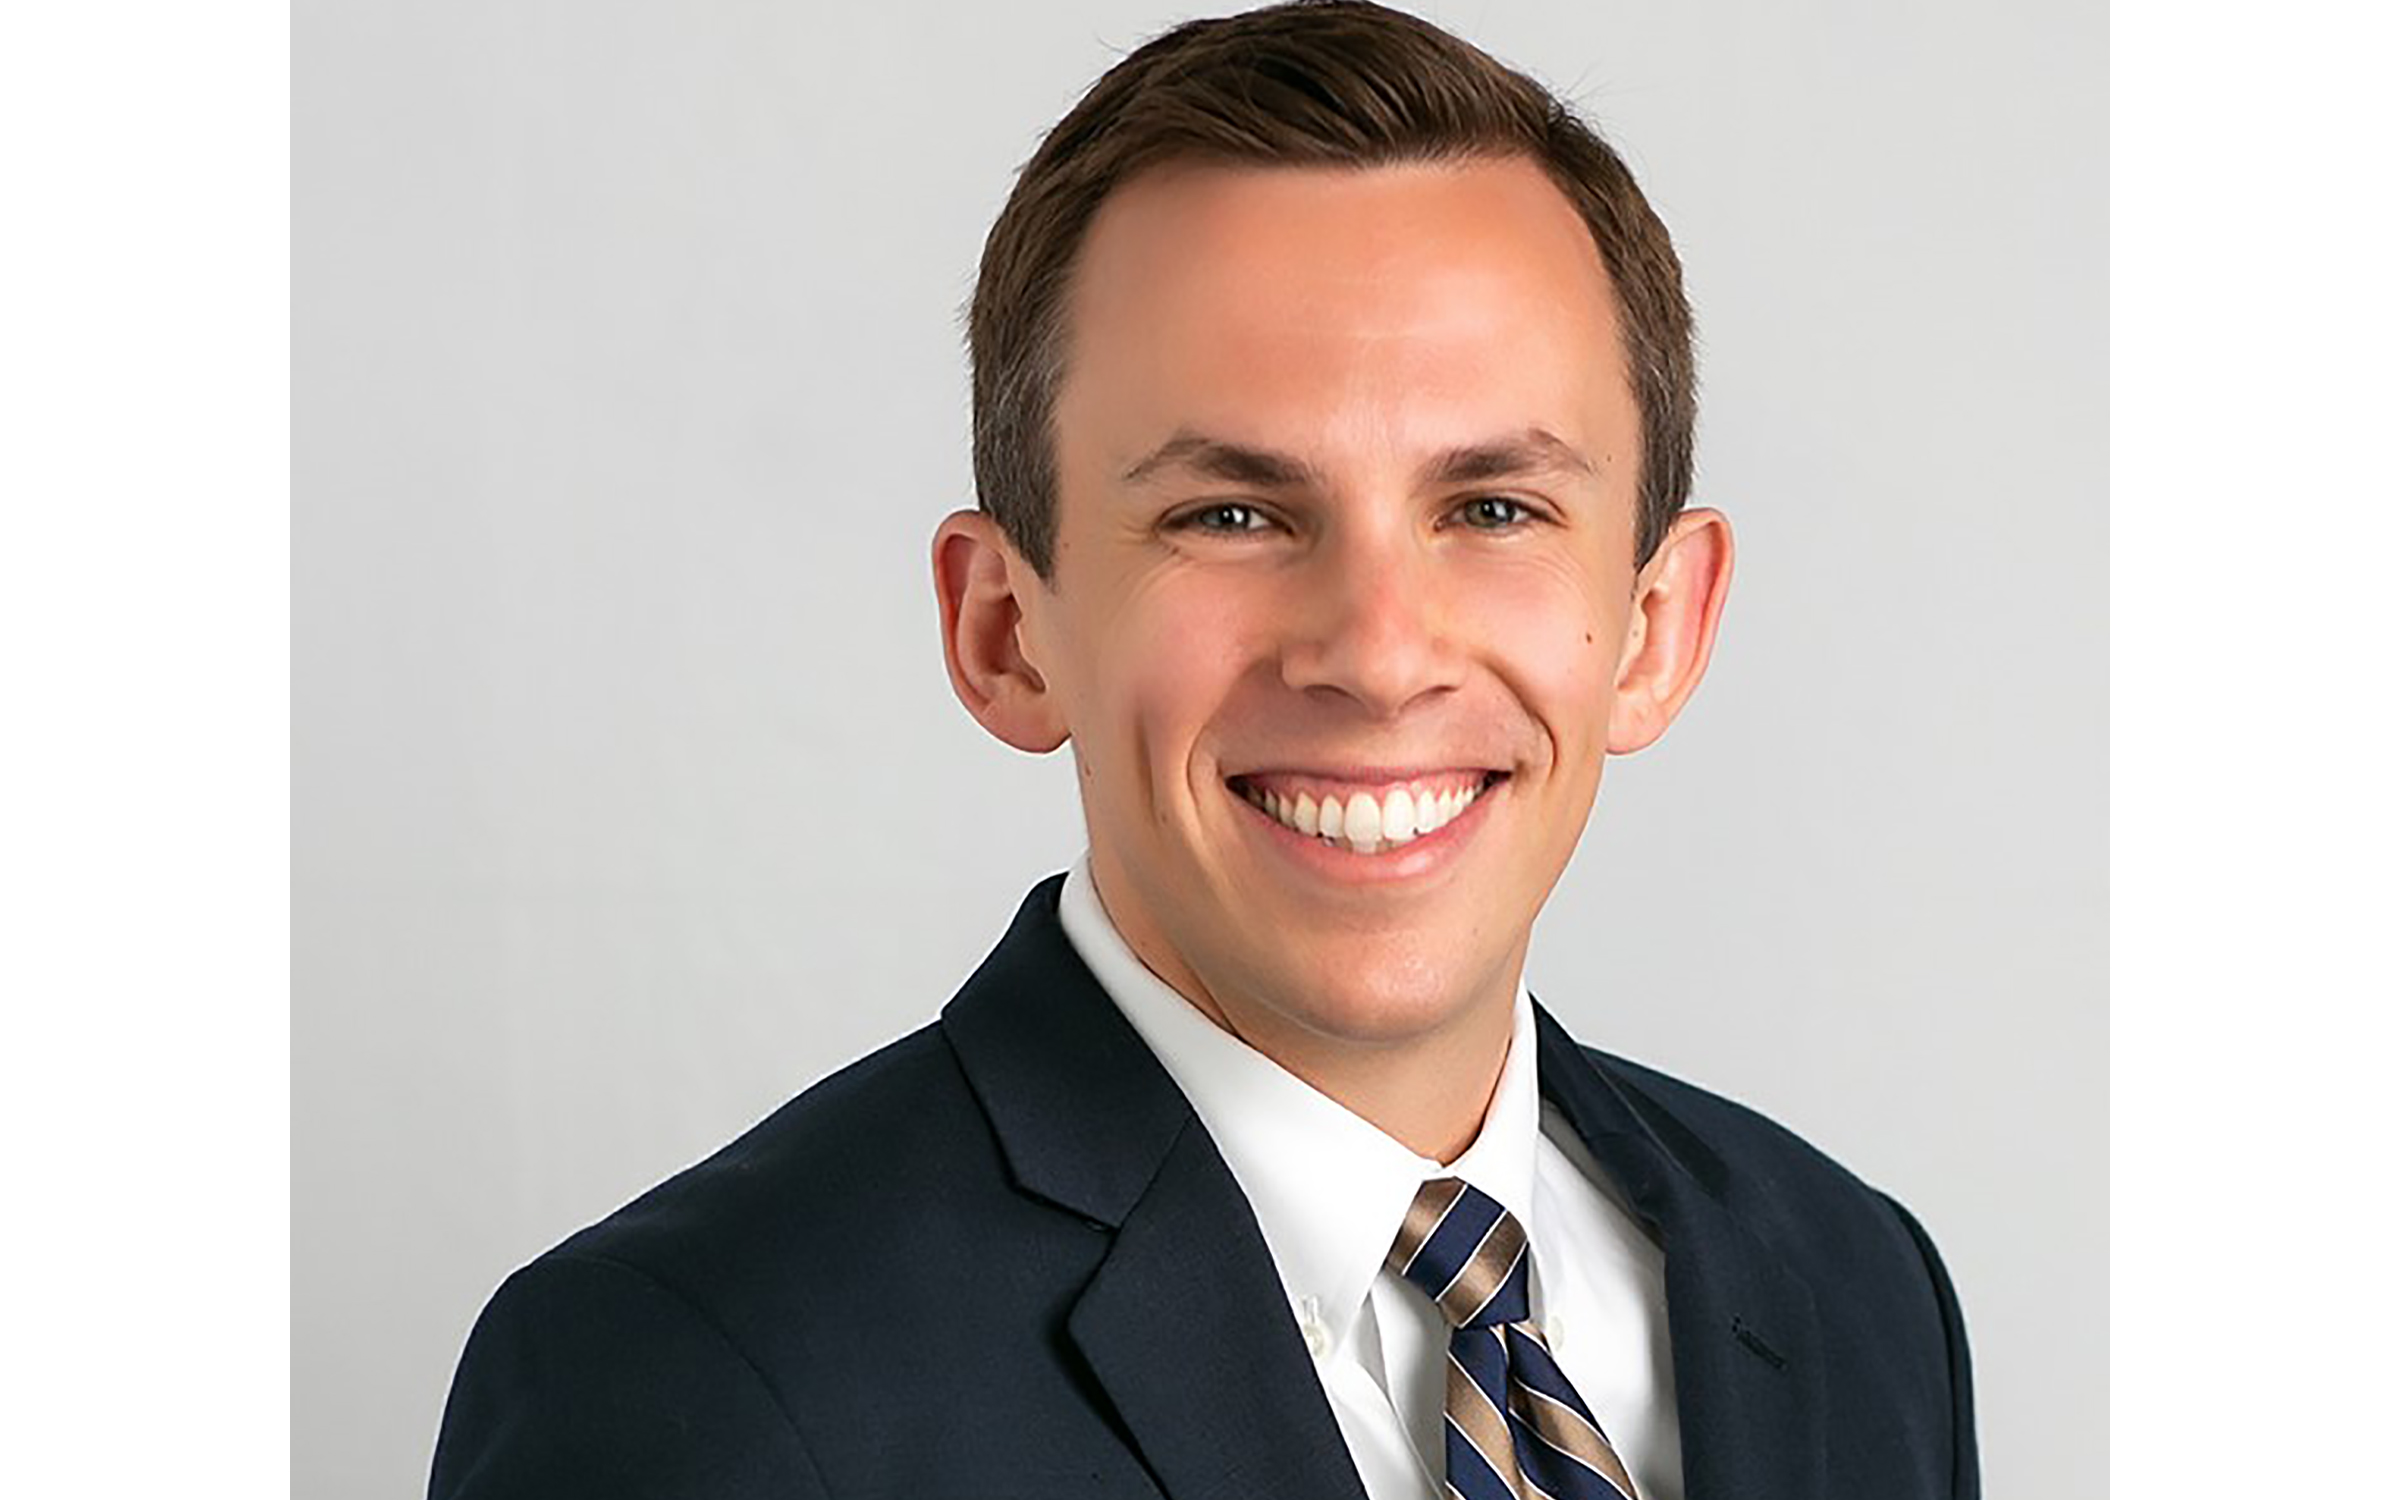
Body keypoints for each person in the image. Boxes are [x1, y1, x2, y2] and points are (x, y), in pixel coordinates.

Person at [428, 4, 1978, 1497]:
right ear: (1005, 632)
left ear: (1656, 625)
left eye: (1494, 508)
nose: (1379, 654)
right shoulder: (702, 1385)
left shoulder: (1853, 1288)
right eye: (1230, 514)